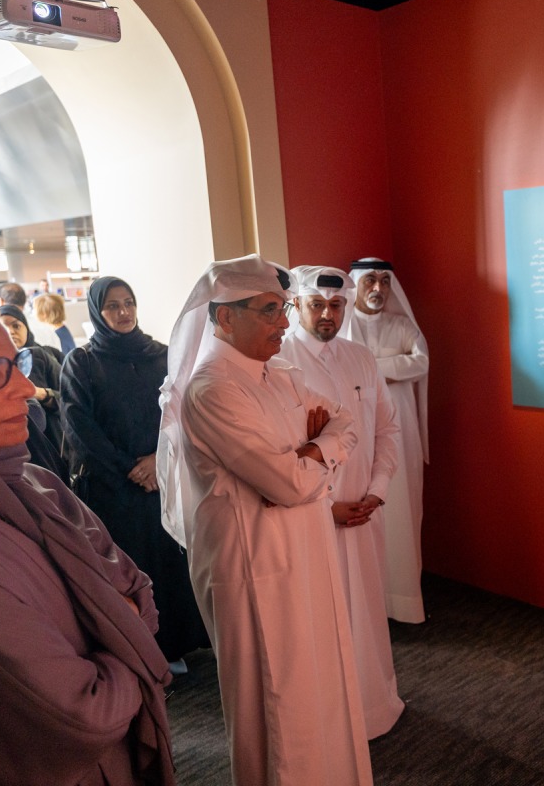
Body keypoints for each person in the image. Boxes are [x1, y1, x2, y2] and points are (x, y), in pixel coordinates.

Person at [0, 294, 174, 785]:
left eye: (15, 365)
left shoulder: (36, 484)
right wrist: (126, 637)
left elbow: (140, 589)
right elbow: (84, 712)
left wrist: (114, 638)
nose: (28, 389)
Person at [157, 254, 373, 785]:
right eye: (270, 310)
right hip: (254, 565)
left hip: (303, 547)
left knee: (317, 682)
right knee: (274, 699)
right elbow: (288, 483)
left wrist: (310, 451)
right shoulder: (213, 389)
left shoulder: (277, 375)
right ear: (224, 317)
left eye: (282, 309)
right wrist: (312, 456)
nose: (284, 322)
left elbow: (346, 421)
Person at [277, 265, 405, 739]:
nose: (327, 315)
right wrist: (322, 506)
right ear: (297, 306)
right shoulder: (279, 362)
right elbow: (279, 453)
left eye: (336, 306)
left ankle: (375, 705)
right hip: (312, 513)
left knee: (367, 610)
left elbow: (386, 429)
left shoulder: (361, 357)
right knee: (319, 616)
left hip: (365, 508)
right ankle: (331, 724)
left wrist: (378, 490)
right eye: (317, 305)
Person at [61, 277, 209, 670]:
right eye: (113, 306)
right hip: (114, 488)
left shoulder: (162, 354)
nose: (124, 312)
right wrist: (131, 467)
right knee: (129, 566)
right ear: (97, 312)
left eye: (129, 303)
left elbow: (183, 414)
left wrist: (158, 461)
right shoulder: (83, 362)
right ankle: (140, 652)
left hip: (162, 478)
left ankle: (177, 643)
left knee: (170, 559)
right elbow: (79, 427)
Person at [344, 257, 430, 623]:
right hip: (359, 434)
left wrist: (373, 367)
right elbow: (344, 371)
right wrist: (393, 365)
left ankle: (404, 599)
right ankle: (370, 603)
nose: (378, 289)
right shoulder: (345, 327)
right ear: (357, 284)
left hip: (402, 432)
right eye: (370, 281)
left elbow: (422, 361)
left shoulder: (401, 324)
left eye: (384, 281)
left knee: (403, 508)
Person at [0, 304, 64, 459]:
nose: (10, 331)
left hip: (54, 446)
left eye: (16, 326)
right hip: (18, 451)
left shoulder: (44, 356)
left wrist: (42, 394)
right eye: (2, 327)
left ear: (26, 328)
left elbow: (71, 399)